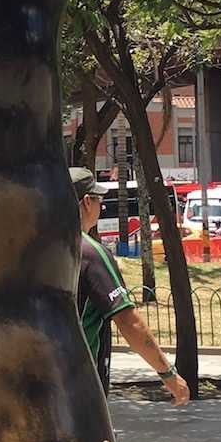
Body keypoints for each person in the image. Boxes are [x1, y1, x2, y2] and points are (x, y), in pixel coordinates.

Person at [71, 169, 190, 403]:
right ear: (86, 202)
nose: (101, 207)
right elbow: (128, 321)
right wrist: (168, 373)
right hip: (78, 383)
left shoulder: (30, 250)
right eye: (99, 200)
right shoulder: (89, 253)